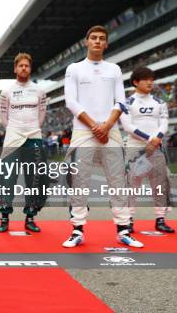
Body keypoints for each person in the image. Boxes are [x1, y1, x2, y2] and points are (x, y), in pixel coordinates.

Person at [62, 25, 142, 248]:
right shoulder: (74, 69)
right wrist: (95, 126)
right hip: (83, 130)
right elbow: (71, 101)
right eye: (93, 38)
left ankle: (124, 229)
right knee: (80, 181)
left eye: (101, 39)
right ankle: (77, 230)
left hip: (110, 130)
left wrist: (106, 125)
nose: (97, 41)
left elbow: (120, 101)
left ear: (106, 44)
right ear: (86, 42)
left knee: (118, 181)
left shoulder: (114, 69)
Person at [0, 52, 48, 233]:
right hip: (13, 137)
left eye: (27, 65)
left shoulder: (39, 91)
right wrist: (16, 131)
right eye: (21, 65)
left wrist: (31, 130)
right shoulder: (6, 91)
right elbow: (4, 118)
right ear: (15, 68)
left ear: (30, 68)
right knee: (6, 178)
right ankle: (4, 217)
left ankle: (30, 217)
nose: (24, 68)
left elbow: (41, 116)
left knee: (36, 179)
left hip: (34, 136)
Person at [120, 67, 174, 233]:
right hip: (135, 148)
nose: (150, 82)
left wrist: (157, 138)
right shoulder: (126, 103)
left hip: (156, 149)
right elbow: (128, 126)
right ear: (136, 82)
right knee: (132, 185)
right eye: (145, 79)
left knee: (160, 184)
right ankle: (128, 220)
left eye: (151, 78)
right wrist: (151, 139)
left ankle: (160, 219)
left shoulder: (159, 102)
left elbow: (164, 123)